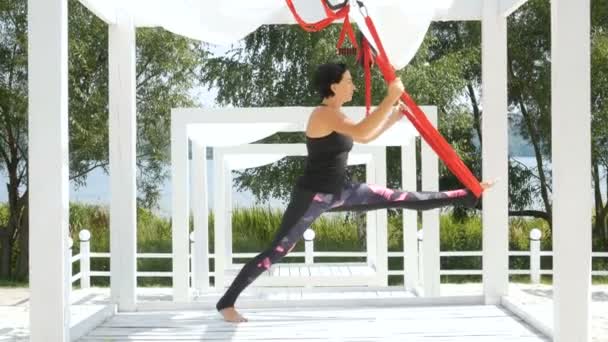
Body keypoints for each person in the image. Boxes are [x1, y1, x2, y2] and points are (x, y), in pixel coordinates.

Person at [216, 62, 495, 322]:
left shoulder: (338, 115)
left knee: (399, 197)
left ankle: (468, 195)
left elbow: (366, 135)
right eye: (349, 82)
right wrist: (389, 98)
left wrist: (392, 117)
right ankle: (227, 304)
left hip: (341, 191)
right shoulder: (322, 115)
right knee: (277, 250)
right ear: (334, 86)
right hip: (311, 196)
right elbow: (361, 133)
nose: (354, 86)